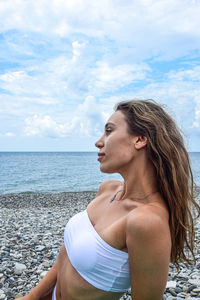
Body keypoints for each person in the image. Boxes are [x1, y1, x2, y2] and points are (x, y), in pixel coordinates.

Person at [16, 100, 200, 300]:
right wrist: (31, 297)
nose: (98, 141)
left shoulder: (146, 221)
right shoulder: (108, 189)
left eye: (109, 131)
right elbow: (67, 255)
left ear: (139, 139)